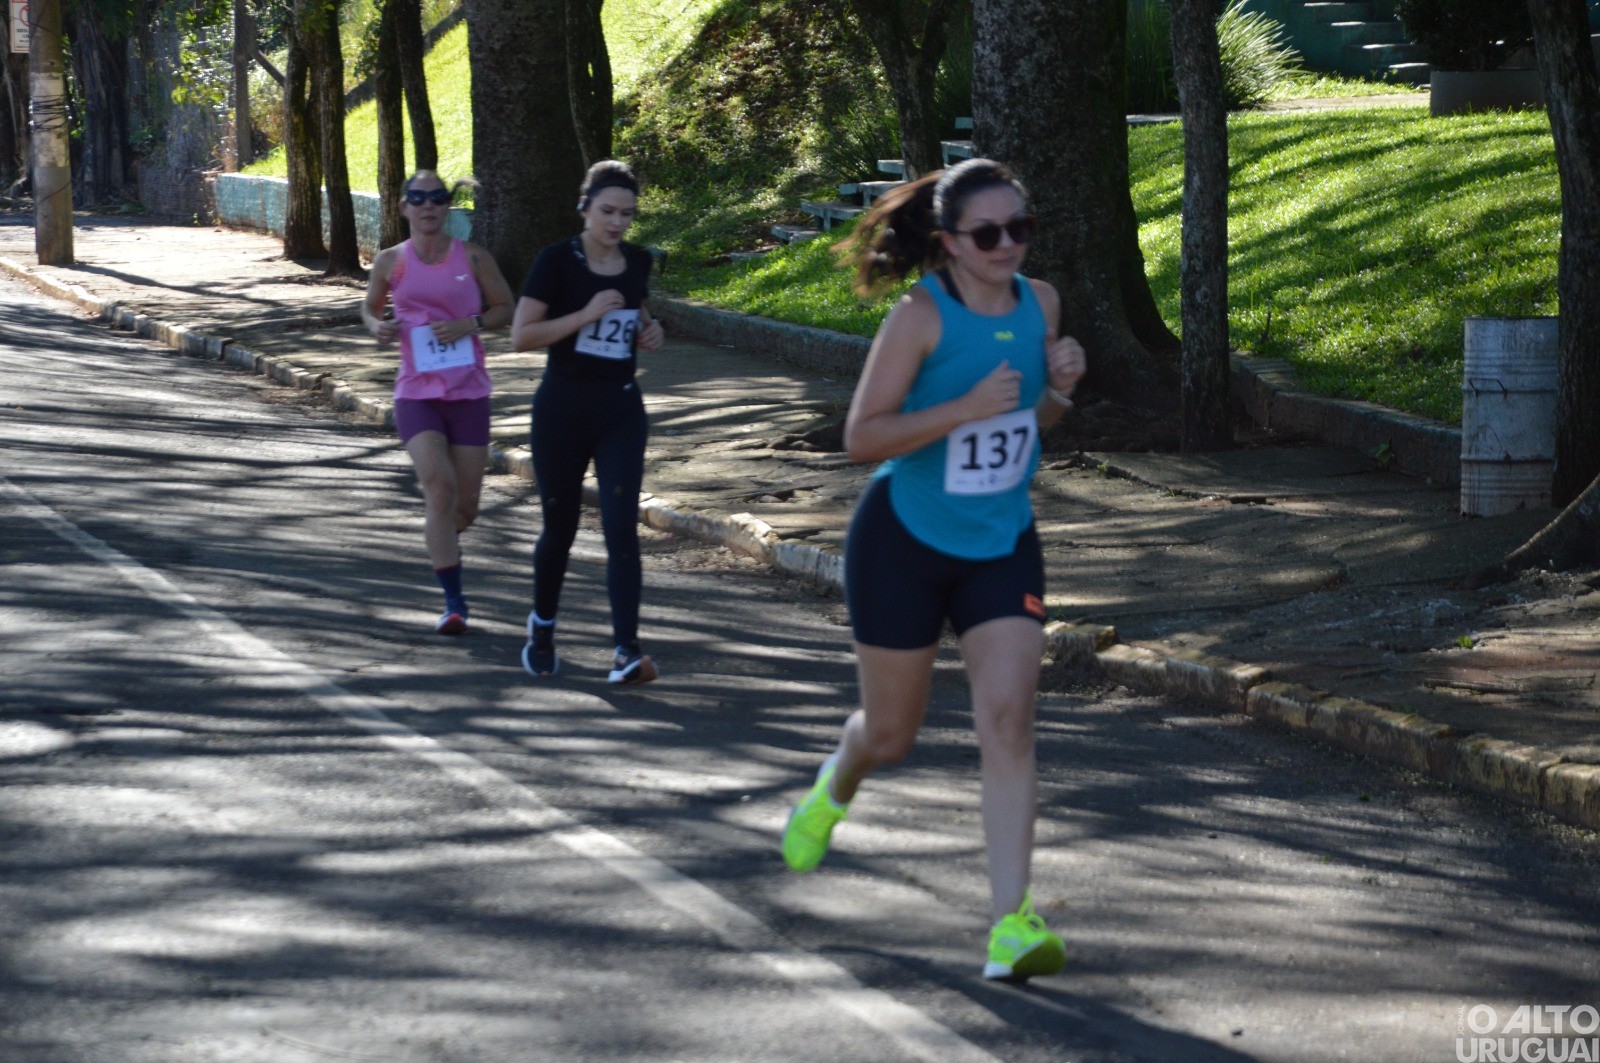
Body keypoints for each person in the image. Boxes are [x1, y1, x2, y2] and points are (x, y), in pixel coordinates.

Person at [779, 158, 1087, 982]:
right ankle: (834, 784)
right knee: (891, 734)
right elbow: (860, 437)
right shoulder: (920, 316)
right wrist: (962, 408)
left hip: (1001, 539)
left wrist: (1059, 390)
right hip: (903, 541)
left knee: (1010, 720)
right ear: (949, 242)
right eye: (988, 233)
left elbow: (1037, 422)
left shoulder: (1042, 304)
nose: (1007, 246)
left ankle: (1011, 925)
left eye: (1020, 228)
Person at [511, 160, 666, 683]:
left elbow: (636, 316)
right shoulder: (555, 262)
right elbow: (521, 336)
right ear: (584, 208)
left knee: (623, 528)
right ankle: (543, 627)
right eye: (607, 211)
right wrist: (585, 314)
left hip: (620, 408)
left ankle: (626, 649)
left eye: (627, 213)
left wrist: (651, 332)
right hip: (562, 408)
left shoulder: (638, 261)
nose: (617, 222)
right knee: (562, 528)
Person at [361, 170, 514, 635]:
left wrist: (470, 323)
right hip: (416, 394)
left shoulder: (473, 257)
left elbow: (506, 307)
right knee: (440, 488)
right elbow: (368, 308)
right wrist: (376, 326)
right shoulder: (391, 262)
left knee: (464, 508)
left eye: (437, 198)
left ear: (448, 207)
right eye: (418, 198)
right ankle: (454, 603)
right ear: (404, 207)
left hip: (469, 393)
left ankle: (440, 537)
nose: (428, 205)